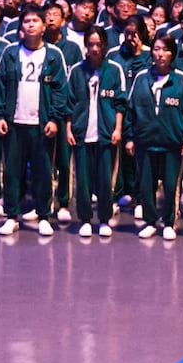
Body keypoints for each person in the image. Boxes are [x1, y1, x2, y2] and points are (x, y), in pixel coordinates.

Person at [0, 11, 68, 235]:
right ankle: (12, 216)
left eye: (36, 21)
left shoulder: (54, 54)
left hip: (41, 124)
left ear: (44, 26)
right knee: (11, 171)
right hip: (14, 122)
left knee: (43, 171)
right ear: (20, 27)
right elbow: (0, 85)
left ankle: (43, 215)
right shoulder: (10, 53)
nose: (31, 25)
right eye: (26, 21)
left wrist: (54, 118)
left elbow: (60, 90)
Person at [125, 36, 183, 239]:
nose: (160, 54)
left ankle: (169, 222)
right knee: (146, 185)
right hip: (145, 141)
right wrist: (130, 137)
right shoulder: (141, 77)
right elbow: (130, 110)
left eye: (165, 50)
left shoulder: (181, 80)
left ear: (173, 54)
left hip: (172, 142)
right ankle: (150, 221)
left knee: (171, 185)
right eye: (156, 49)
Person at [66, 28, 125, 235]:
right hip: (81, 133)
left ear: (105, 45)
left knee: (105, 180)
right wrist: (69, 129)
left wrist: (118, 129)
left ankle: (104, 219)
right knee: (83, 180)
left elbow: (120, 103)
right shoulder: (76, 71)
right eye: (90, 44)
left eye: (98, 44)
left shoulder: (115, 70)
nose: (94, 49)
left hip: (106, 133)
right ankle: (84, 219)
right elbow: (69, 102)